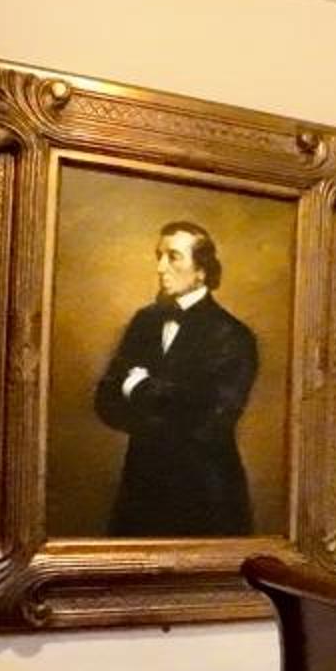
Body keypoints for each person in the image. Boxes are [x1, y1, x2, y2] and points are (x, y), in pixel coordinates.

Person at [91, 220, 256, 536]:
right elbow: (106, 401)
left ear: (202, 270)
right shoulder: (144, 322)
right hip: (141, 489)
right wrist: (172, 403)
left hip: (204, 495)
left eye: (173, 257)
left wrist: (139, 388)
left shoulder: (232, 336)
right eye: (159, 256)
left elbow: (211, 422)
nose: (160, 267)